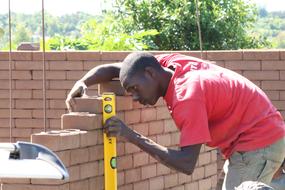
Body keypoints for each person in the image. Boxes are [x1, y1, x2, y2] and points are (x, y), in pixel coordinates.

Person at [66, 52, 285, 189]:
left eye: (134, 89)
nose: (133, 97)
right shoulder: (165, 64)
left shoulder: (187, 97)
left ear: (150, 74)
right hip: (259, 134)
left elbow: (186, 163)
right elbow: (115, 69)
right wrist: (83, 83)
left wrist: (131, 135)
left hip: (258, 143)